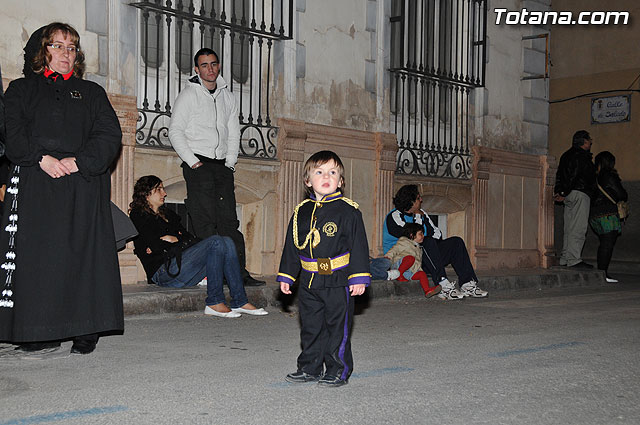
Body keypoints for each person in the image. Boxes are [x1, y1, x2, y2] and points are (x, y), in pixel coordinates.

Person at [0, 23, 124, 355]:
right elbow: (12, 131)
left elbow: (109, 134)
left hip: (82, 183)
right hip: (35, 182)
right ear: (43, 51)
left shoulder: (92, 92)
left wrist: (78, 161)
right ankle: (40, 330)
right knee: (40, 259)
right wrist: (40, 158)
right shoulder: (21, 90)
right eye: (57, 46)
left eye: (71, 48)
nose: (65, 54)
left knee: (82, 256)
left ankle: (85, 329)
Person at [168, 48, 264, 287]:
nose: (209, 69)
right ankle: (213, 273)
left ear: (218, 66)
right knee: (206, 222)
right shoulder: (189, 95)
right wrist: (193, 162)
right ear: (196, 69)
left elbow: (233, 131)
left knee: (229, 222)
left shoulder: (227, 97)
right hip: (198, 164)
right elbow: (175, 131)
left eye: (213, 64)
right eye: (204, 65)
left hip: (221, 166)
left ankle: (239, 274)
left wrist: (230, 162)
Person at [277, 151, 370, 387]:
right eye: (319, 172)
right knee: (311, 327)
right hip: (309, 281)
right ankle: (310, 367)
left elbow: (358, 246)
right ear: (308, 180)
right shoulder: (301, 212)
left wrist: (358, 278)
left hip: (338, 280)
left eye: (333, 172)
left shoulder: (348, 211)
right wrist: (287, 275)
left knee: (337, 328)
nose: (326, 176)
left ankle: (338, 369)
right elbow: (292, 245)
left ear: (340, 181)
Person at [129, 175, 267, 318]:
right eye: (159, 189)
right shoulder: (138, 215)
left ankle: (239, 300)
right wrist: (174, 242)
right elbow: (156, 246)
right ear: (145, 193)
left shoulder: (169, 214)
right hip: (163, 273)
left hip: (182, 267)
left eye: (163, 189)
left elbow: (190, 239)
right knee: (215, 242)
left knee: (227, 241)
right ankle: (214, 302)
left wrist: (175, 239)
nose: (164, 193)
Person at [383, 184, 488, 300]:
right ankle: (442, 284)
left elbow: (438, 234)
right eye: (418, 198)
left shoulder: (422, 213)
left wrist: (430, 242)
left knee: (456, 242)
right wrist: (418, 219)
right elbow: (412, 236)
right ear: (410, 201)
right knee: (426, 241)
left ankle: (467, 283)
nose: (421, 200)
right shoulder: (394, 217)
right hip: (404, 263)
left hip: (425, 259)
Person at [554, 130, 596, 269]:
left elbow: (560, 174)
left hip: (568, 195)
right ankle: (574, 259)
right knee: (578, 227)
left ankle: (565, 257)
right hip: (579, 192)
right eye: (589, 139)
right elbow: (575, 175)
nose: (591, 142)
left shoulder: (566, 155)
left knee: (569, 227)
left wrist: (561, 192)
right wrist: (565, 191)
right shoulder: (581, 156)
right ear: (584, 141)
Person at [589, 152, 627, 283]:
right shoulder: (610, 176)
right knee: (607, 244)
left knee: (604, 243)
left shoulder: (594, 176)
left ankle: (602, 272)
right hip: (607, 214)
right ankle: (603, 274)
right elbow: (622, 194)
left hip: (594, 214)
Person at [385, 223, 441, 298]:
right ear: (412, 235)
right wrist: (388, 257)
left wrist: (419, 270)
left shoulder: (419, 248)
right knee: (410, 258)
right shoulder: (404, 242)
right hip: (399, 266)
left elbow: (418, 262)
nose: (423, 236)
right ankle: (399, 275)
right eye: (420, 234)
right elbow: (395, 249)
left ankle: (427, 290)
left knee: (422, 274)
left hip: (409, 271)